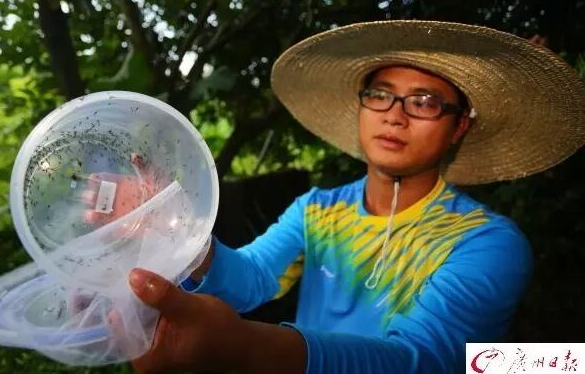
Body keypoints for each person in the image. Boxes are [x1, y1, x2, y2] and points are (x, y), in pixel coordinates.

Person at [124, 21, 584, 374]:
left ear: (458, 126)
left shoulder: (487, 243)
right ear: (362, 106)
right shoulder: (316, 210)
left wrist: (242, 346)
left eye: (424, 102)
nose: (395, 116)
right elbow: (250, 278)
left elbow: (420, 361)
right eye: (381, 95)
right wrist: (176, 228)